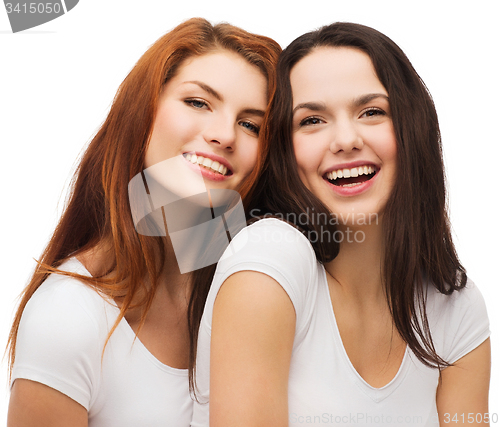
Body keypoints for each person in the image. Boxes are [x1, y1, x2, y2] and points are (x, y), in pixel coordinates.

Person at [191, 23, 491, 426]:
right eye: (312, 120)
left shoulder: (457, 307)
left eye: (372, 112)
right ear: (284, 151)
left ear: (412, 128)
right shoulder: (268, 260)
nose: (346, 139)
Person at [6, 17, 280, 427]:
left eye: (250, 124)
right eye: (198, 102)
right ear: (144, 111)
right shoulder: (68, 317)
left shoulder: (254, 291)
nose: (225, 135)